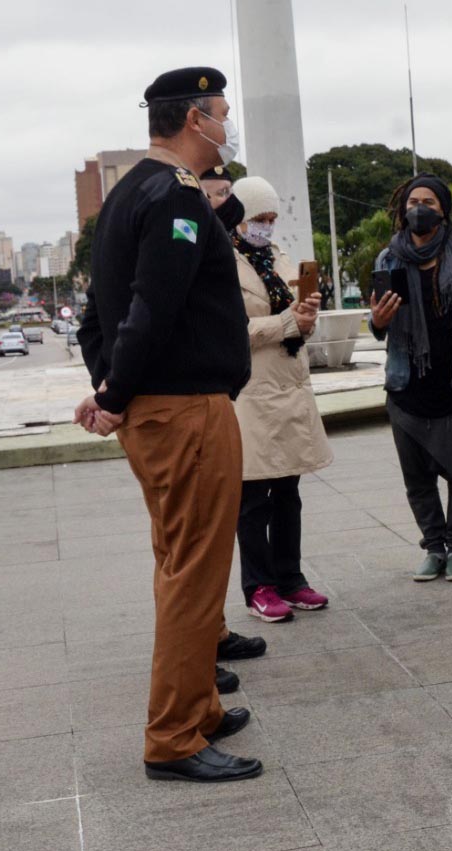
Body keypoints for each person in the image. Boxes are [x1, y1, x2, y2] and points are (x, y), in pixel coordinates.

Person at [73, 66, 261, 784]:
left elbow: (99, 315)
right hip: (185, 410)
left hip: (160, 408)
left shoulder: (127, 195)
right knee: (194, 574)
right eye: (221, 111)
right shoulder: (175, 195)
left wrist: (111, 388)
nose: (227, 124)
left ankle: (201, 705)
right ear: (193, 120)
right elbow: (152, 305)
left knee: (178, 561)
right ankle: (175, 736)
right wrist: (118, 392)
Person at [369, 174, 452, 583]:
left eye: (428, 202)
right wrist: (377, 321)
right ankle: (434, 545)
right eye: (411, 202)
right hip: (407, 386)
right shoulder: (389, 259)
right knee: (417, 476)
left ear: (442, 210)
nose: (418, 209)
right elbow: (378, 324)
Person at [229, 175, 334, 621]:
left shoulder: (278, 256)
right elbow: (229, 331)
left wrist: (308, 310)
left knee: (289, 490)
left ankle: (291, 579)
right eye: (258, 218)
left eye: (272, 218)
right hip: (252, 392)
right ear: (240, 217)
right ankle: (259, 586)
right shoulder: (223, 261)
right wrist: (288, 323)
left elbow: (294, 311)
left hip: (289, 387)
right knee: (253, 497)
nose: (266, 227)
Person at [197, 164, 269, 690]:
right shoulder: (177, 236)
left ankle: (214, 633)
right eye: (216, 194)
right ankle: (193, 662)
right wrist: (114, 388)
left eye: (228, 195)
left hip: (221, 398)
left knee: (215, 534)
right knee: (192, 544)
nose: (225, 204)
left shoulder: (216, 241)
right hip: (187, 403)